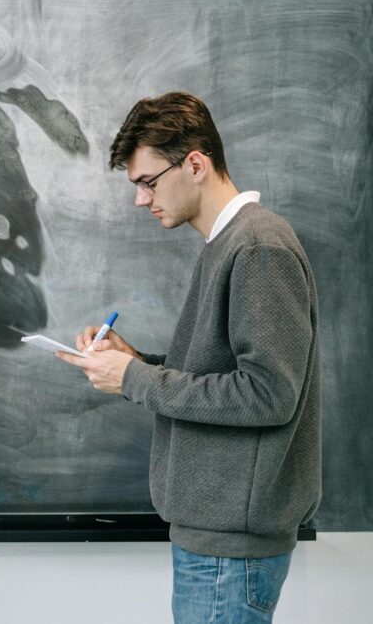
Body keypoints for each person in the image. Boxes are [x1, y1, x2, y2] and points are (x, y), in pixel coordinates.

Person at [58, 92, 320, 622]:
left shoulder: (257, 248)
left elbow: (269, 394)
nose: (140, 200)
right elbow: (220, 374)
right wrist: (137, 361)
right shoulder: (229, 245)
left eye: (147, 182)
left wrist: (134, 378)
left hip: (230, 546)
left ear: (195, 164)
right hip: (218, 538)